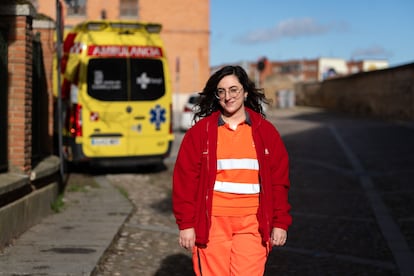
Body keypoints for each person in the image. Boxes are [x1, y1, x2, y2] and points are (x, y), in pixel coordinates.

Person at [172, 65, 292, 275]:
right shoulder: (201, 133)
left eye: (234, 89)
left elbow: (278, 182)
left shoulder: (266, 132)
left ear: (245, 92)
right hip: (212, 225)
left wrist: (280, 222)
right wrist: (186, 225)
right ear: (216, 95)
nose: (228, 96)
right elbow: (185, 182)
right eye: (222, 91)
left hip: (253, 224)